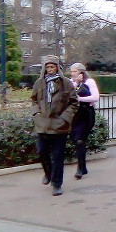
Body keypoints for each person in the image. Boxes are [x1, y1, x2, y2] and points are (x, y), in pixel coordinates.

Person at [31, 55, 78, 196]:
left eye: (53, 66)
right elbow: (34, 100)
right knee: (41, 151)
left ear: (58, 67)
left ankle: (57, 184)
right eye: (48, 67)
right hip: (43, 125)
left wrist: (64, 118)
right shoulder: (39, 83)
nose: (50, 69)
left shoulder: (66, 83)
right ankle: (48, 173)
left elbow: (74, 102)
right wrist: (36, 114)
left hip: (60, 126)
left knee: (58, 156)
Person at [69, 63, 100, 180]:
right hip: (75, 114)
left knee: (80, 140)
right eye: (71, 72)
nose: (72, 74)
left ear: (81, 73)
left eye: (75, 71)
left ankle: (80, 168)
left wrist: (80, 99)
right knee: (76, 139)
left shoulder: (89, 82)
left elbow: (95, 97)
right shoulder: (71, 83)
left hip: (86, 113)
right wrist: (76, 84)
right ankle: (83, 166)